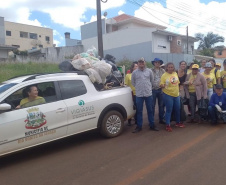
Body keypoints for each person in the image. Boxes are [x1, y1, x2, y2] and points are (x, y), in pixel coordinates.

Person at [131, 59, 157, 133]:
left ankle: (152, 125)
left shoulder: (149, 71)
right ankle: (139, 126)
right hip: (139, 94)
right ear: (138, 63)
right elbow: (133, 82)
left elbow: (152, 81)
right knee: (139, 111)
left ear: (145, 63)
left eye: (142, 62)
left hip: (148, 94)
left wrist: (149, 87)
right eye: (140, 62)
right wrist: (139, 87)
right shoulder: (134, 72)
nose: (141, 64)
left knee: (150, 110)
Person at [160, 62, 185, 132]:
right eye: (169, 67)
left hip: (176, 95)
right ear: (167, 68)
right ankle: (167, 124)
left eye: (172, 67)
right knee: (169, 110)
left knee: (178, 109)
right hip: (168, 95)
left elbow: (178, 83)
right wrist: (163, 85)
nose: (170, 68)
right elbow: (161, 84)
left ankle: (178, 122)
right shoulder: (164, 75)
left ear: (173, 68)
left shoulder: (175, 74)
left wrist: (179, 91)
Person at [151, 58, 165, 124]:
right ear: (154, 63)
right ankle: (152, 120)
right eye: (156, 62)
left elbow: (165, 79)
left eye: (158, 62)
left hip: (161, 90)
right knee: (152, 105)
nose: (157, 63)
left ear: (160, 63)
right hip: (153, 89)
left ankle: (161, 119)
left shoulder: (163, 71)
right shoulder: (150, 71)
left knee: (161, 105)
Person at [125, 62, 138, 126]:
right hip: (131, 94)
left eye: (137, 66)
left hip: (138, 93)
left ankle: (136, 120)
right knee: (131, 106)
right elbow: (126, 85)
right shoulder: (128, 75)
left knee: (137, 107)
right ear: (132, 67)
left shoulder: (139, 74)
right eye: (135, 66)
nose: (137, 67)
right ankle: (129, 121)